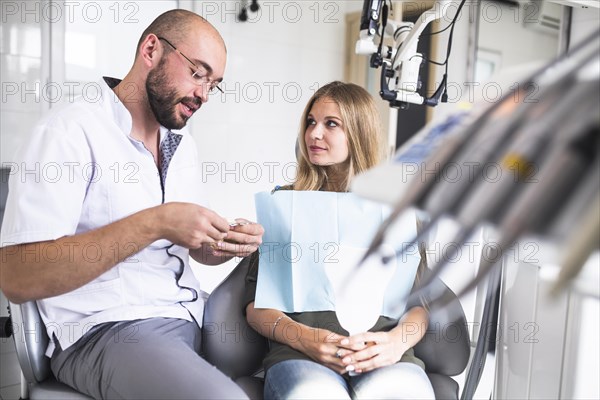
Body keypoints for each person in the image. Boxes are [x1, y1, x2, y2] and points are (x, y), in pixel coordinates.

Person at [0, 9, 263, 400]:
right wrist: (155, 222)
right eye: (197, 73)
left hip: (190, 316)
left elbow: (190, 248)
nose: (203, 95)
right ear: (151, 50)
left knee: (286, 371)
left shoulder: (182, 144)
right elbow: (18, 277)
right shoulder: (70, 132)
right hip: (110, 328)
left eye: (214, 84)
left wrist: (220, 244)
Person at [244, 81, 435, 399]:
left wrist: (395, 343)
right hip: (301, 355)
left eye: (331, 124)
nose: (313, 134)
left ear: (359, 133)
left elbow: (421, 307)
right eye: (310, 122)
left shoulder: (399, 210)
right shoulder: (283, 205)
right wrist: (307, 339)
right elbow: (255, 309)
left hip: (383, 356)